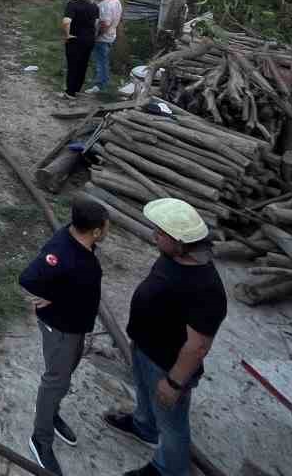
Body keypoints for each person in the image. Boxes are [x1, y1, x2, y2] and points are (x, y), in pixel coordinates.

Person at [105, 199, 228, 476]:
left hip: (167, 365)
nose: (155, 236)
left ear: (181, 242)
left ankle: (168, 469)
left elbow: (197, 347)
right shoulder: (173, 257)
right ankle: (144, 426)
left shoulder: (207, 290)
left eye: (161, 234)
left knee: (172, 425)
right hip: (145, 349)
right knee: (146, 397)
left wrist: (173, 383)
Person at [19, 197, 110, 474]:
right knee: (55, 380)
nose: (108, 231)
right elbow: (28, 279)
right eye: (106, 227)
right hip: (60, 329)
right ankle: (40, 438)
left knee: (66, 373)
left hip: (75, 326)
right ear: (95, 231)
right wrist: (50, 297)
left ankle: (52, 413)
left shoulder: (79, 241)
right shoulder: (62, 253)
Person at [60, 0, 100, 101]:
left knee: (73, 65)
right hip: (89, 39)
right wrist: (94, 36)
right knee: (83, 65)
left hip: (76, 39)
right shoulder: (94, 6)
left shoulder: (72, 4)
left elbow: (66, 21)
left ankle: (70, 92)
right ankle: (77, 89)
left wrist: (67, 35)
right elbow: (97, 23)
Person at [92, 0, 123, 95]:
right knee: (103, 60)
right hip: (111, 35)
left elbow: (105, 24)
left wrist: (95, 36)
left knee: (101, 61)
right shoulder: (116, 1)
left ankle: (100, 85)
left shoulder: (107, 5)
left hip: (102, 38)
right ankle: (102, 81)